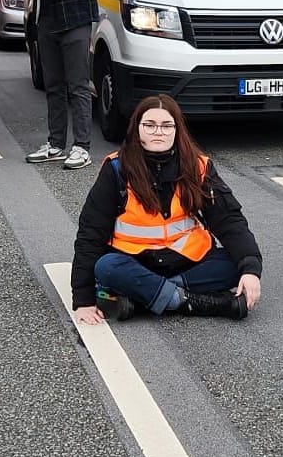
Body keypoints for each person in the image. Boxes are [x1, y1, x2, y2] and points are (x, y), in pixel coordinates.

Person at [71, 94, 262, 323]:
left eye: (166, 125)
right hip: (134, 263)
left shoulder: (198, 166)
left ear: (177, 130)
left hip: (188, 262)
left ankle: (146, 299)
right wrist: (83, 301)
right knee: (107, 268)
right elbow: (90, 232)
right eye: (149, 125)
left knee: (237, 264)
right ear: (137, 129)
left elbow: (229, 220)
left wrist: (251, 270)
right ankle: (195, 302)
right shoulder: (116, 169)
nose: (158, 132)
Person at [18, 0, 100, 171]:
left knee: (78, 85)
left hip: (75, 20)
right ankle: (55, 144)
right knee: (53, 86)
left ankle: (82, 147)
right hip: (45, 19)